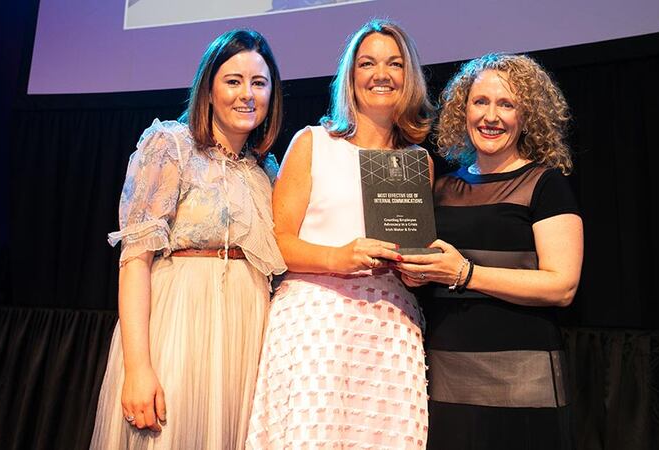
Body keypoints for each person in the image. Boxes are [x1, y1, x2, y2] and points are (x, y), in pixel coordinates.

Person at [89, 29, 286, 450]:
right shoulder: (172, 146)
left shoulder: (266, 171)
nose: (246, 94)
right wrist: (138, 368)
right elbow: (135, 260)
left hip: (246, 332)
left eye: (259, 83)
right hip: (180, 323)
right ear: (209, 89)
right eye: (233, 81)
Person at [246, 19, 434, 449]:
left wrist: (419, 270)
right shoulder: (314, 142)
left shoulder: (417, 162)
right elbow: (277, 243)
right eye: (367, 63)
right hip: (317, 323)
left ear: (410, 78)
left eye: (394, 64)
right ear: (351, 76)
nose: (380, 74)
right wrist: (340, 257)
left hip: (391, 330)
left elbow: (411, 252)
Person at [396, 53, 583, 449]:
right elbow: (431, 276)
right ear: (462, 111)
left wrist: (465, 274)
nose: (491, 116)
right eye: (481, 102)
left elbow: (561, 287)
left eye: (507, 104)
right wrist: (415, 276)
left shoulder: (546, 185)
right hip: (448, 380)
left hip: (524, 384)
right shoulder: (441, 188)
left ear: (527, 116)